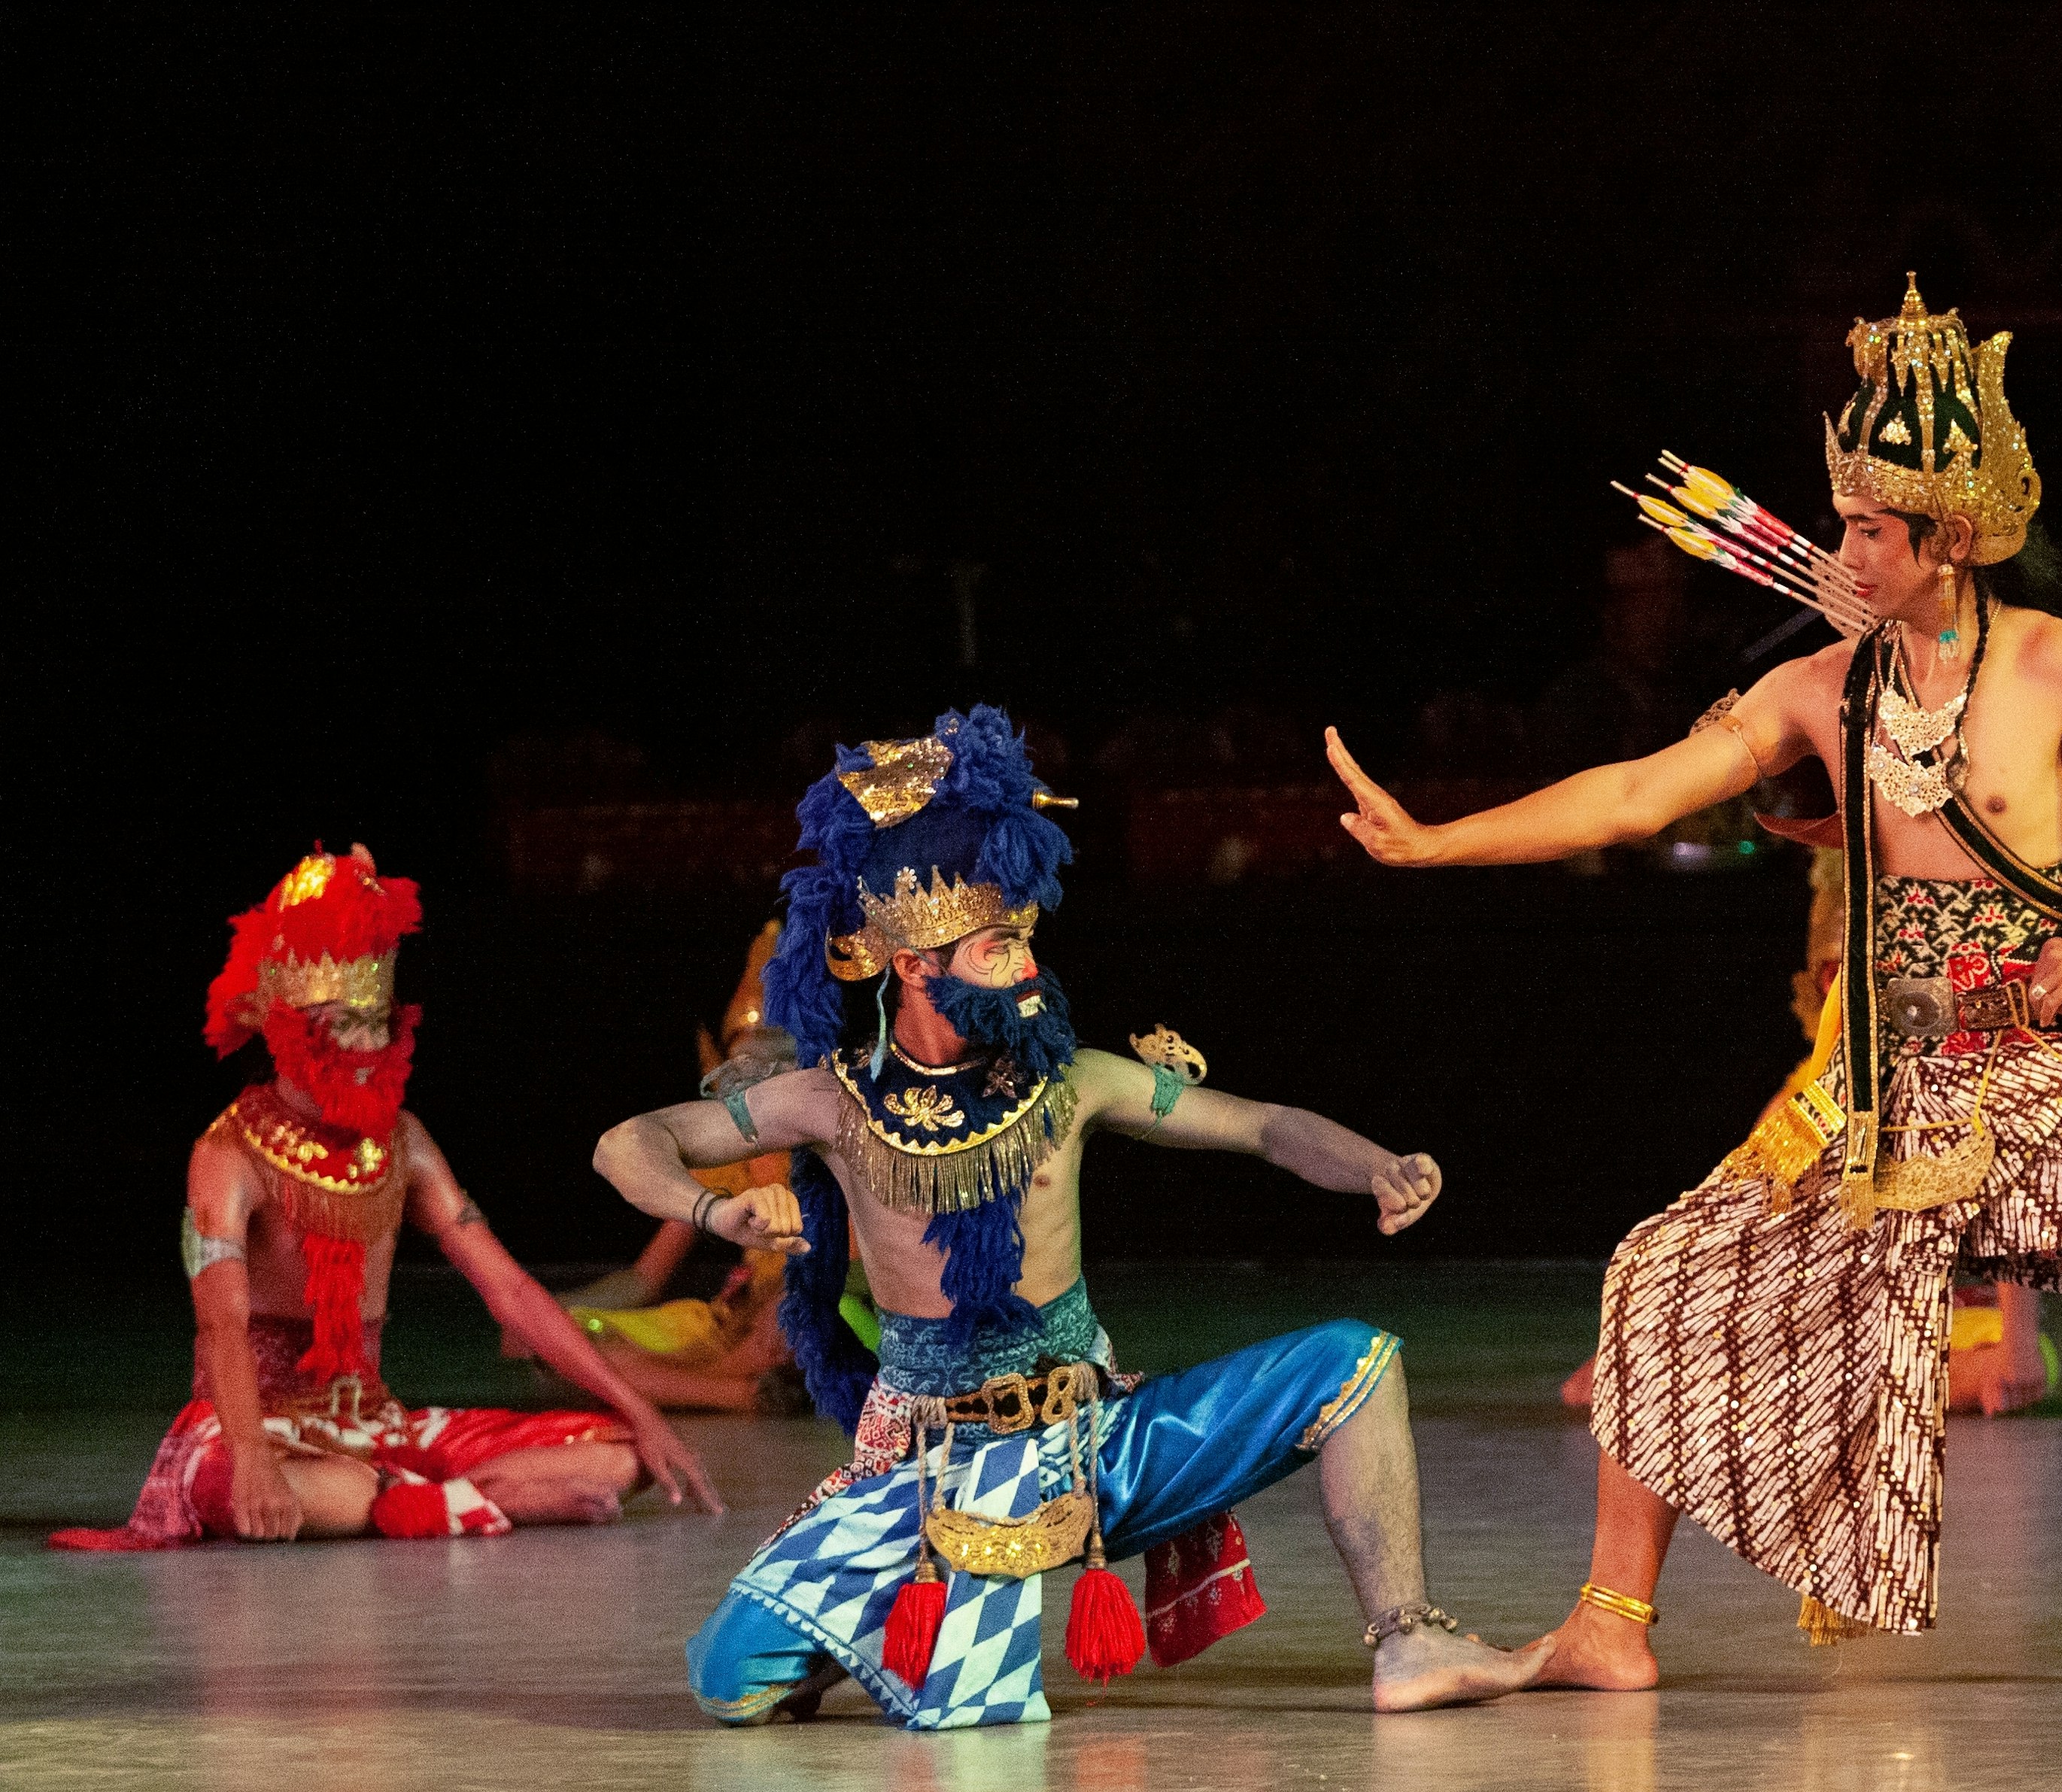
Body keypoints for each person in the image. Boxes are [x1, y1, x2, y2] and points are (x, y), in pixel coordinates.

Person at [1327, 277, 2062, 1689]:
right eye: (1838, 522)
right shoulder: (1818, 690)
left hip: (2028, 1070)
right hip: (1882, 1086)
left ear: (1946, 539)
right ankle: (1612, 1621)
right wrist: (1437, 842)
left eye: (1866, 527)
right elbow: (1637, 794)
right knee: (1658, 1278)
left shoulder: (2053, 664)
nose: (1840, 547)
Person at [599, 707, 1547, 1728]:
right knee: (730, 1682)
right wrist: (712, 1208)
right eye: (998, 945)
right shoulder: (828, 1102)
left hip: (1099, 1448)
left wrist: (1376, 1166)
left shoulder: (1077, 1083)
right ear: (914, 964)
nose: (1025, 968)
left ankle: (1408, 1637)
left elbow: (1264, 1127)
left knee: (1357, 1364)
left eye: (1025, 941)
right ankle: (878, 1626)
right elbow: (630, 1142)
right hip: (934, 1468)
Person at [52, 847, 720, 1552]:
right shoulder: (226, 1155)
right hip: (247, 1429)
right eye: (343, 1023)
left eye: (377, 1021)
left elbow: (512, 1292)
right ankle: (475, 1499)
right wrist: (251, 1463)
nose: (367, 1043)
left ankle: (430, 1500)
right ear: (286, 1027)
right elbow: (221, 1329)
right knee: (328, 1493)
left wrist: (639, 1409)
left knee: (619, 1454)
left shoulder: (406, 1141)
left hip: (374, 1427)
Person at [1558, 846, 2057, 1417]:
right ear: (1826, 984)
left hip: (1951, 1323)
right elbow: (1737, 1226)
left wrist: (2019, 1353)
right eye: (1849, 976)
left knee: (1986, 1363)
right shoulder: (1809, 1103)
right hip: (1837, 1327)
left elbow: (2015, 1216)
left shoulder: (1958, 1083)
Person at [566, 921, 813, 1414]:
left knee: (796, 1322)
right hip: (730, 1324)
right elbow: (644, 1279)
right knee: (571, 1341)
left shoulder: (832, 1147)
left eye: (777, 1065)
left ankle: (702, 1384)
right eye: (747, 1067)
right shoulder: (727, 1160)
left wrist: (795, 1299)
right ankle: (741, 1394)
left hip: (816, 1311)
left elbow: (860, 1268)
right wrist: (553, 1310)